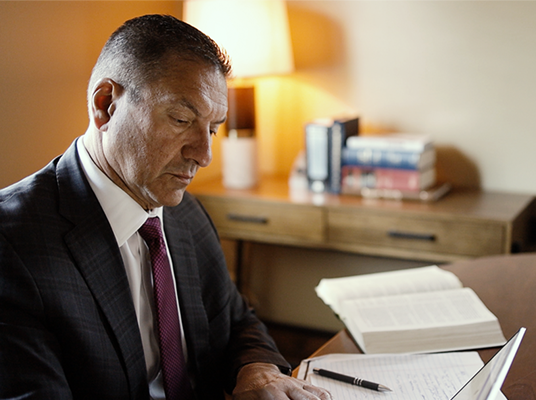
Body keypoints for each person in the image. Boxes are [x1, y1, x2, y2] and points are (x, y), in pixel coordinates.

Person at [0, 14, 330, 400]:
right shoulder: (13, 244)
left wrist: (256, 370)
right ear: (105, 105)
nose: (203, 155)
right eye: (181, 119)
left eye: (212, 129)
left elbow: (236, 318)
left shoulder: (185, 212)